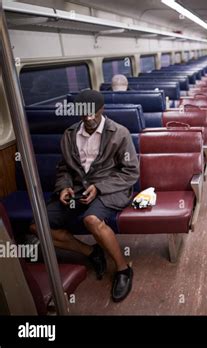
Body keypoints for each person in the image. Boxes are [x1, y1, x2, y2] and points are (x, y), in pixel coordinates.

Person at [30, 90, 139, 302]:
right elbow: (64, 169)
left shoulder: (119, 133)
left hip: (110, 189)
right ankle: (91, 252)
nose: (89, 118)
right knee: (37, 226)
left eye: (94, 114)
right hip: (78, 191)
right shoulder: (69, 135)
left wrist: (98, 187)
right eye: (84, 114)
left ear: (102, 110)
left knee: (91, 220)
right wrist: (64, 187)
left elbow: (131, 172)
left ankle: (123, 269)